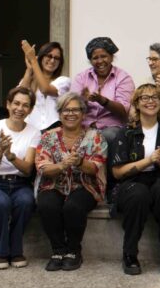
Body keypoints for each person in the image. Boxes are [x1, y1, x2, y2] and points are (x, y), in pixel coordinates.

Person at [110, 84, 160, 275]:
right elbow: (118, 172)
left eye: (155, 98)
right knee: (138, 194)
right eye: (144, 98)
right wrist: (147, 161)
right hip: (132, 181)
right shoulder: (126, 132)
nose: (150, 101)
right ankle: (129, 253)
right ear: (136, 103)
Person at [35, 92, 107, 271]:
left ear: (83, 114)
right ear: (59, 114)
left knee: (73, 206)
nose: (70, 114)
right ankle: (58, 250)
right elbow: (43, 167)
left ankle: (73, 251)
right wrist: (61, 166)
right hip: (54, 183)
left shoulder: (95, 136)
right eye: (66, 110)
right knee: (47, 203)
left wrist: (79, 162)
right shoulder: (48, 137)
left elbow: (95, 168)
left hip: (86, 185)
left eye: (76, 110)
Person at [0, 87, 41, 269]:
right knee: (1, 203)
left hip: (20, 183)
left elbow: (28, 169)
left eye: (25, 105)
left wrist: (11, 155)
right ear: (8, 104)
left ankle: (15, 250)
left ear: (30, 110)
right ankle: (1, 251)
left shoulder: (34, 132)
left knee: (26, 202)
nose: (20, 109)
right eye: (16, 103)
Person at [70, 37, 134, 147]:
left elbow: (124, 111)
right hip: (83, 127)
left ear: (111, 57)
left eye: (104, 56)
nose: (100, 61)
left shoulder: (123, 78)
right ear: (90, 61)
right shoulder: (81, 78)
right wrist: (83, 101)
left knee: (108, 136)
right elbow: (71, 106)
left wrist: (103, 101)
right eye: (95, 58)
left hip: (111, 128)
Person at [18, 40, 70, 131]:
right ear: (41, 57)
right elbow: (19, 97)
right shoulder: (29, 80)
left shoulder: (63, 81)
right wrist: (29, 69)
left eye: (57, 58)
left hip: (55, 130)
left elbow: (45, 89)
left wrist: (33, 61)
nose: (52, 60)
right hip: (30, 130)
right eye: (49, 56)